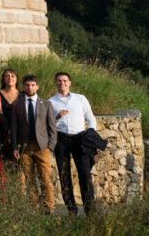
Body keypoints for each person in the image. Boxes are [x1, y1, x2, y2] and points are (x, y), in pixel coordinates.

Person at [49, 72, 99, 216]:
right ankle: (71, 210)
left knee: (85, 173)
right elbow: (49, 124)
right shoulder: (51, 102)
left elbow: (91, 118)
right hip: (61, 139)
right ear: (56, 83)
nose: (62, 83)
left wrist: (90, 134)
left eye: (64, 80)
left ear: (70, 82)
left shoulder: (80, 99)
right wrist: (57, 117)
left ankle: (90, 210)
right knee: (64, 174)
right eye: (59, 81)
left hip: (79, 138)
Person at [10, 75, 58, 213]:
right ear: (23, 87)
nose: (30, 87)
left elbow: (52, 127)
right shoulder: (17, 105)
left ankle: (49, 208)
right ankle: (35, 208)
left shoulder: (46, 104)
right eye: (27, 85)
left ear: (37, 86)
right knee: (29, 179)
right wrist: (15, 147)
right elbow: (14, 128)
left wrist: (50, 146)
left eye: (32, 85)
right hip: (24, 147)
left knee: (45, 177)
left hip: (42, 147)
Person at [0, 69, 21, 167]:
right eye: (7, 76)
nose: (9, 78)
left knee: (20, 162)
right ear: (3, 79)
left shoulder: (23, 94)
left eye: (12, 76)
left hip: (20, 131)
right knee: (4, 160)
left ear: (16, 79)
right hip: (3, 130)